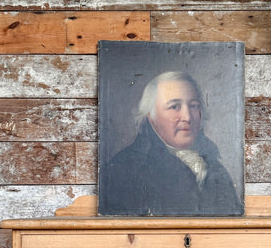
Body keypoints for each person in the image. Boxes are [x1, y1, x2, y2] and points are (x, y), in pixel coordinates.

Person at [99, 71, 244, 216]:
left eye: (193, 106)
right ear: (151, 116)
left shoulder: (214, 167)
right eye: (174, 107)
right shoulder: (122, 170)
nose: (187, 117)